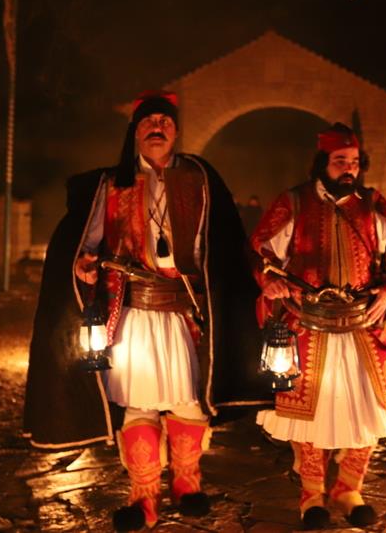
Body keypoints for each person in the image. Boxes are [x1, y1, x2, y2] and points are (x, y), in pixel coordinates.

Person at [22, 91, 269, 531]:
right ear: (135, 131)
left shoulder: (199, 177)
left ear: (176, 130)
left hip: (187, 312)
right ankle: (143, 496)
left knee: (188, 401)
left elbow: (224, 239)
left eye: (165, 121)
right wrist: (84, 264)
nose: (157, 127)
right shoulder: (110, 183)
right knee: (139, 405)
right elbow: (88, 241)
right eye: (148, 121)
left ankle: (187, 484)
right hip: (131, 311)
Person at [250, 123, 386, 529]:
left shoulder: (373, 203)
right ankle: (311, 497)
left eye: (354, 162)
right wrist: (268, 280)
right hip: (307, 322)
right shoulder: (293, 201)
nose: (348, 169)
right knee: (309, 412)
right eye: (340, 161)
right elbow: (259, 251)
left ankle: (348, 488)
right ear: (322, 162)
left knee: (373, 408)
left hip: (362, 324)